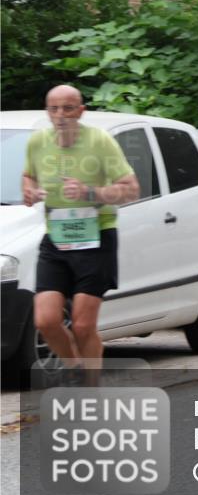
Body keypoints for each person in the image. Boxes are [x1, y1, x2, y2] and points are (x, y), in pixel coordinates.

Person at [21, 85, 139, 384]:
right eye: (54, 109)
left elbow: (131, 189)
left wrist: (90, 191)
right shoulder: (37, 142)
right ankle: (75, 367)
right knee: (45, 320)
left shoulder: (100, 142)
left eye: (68, 108)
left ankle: (90, 388)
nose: (61, 115)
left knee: (84, 326)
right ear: (47, 112)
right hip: (57, 238)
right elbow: (28, 175)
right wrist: (29, 191)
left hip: (96, 237)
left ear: (81, 111)